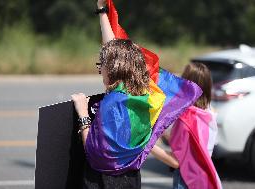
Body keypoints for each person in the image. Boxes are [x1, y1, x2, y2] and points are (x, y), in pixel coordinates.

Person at [71, 0, 201, 188]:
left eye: (103, 65)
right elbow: (113, 47)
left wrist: (82, 112)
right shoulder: (148, 94)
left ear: (116, 68)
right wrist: (102, 11)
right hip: (131, 180)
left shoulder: (114, 105)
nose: (101, 71)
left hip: (104, 183)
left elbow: (96, 155)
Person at [168, 63, 222, 189]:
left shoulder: (186, 119)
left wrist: (148, 145)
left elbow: (176, 162)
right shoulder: (210, 114)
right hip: (205, 176)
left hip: (186, 180)